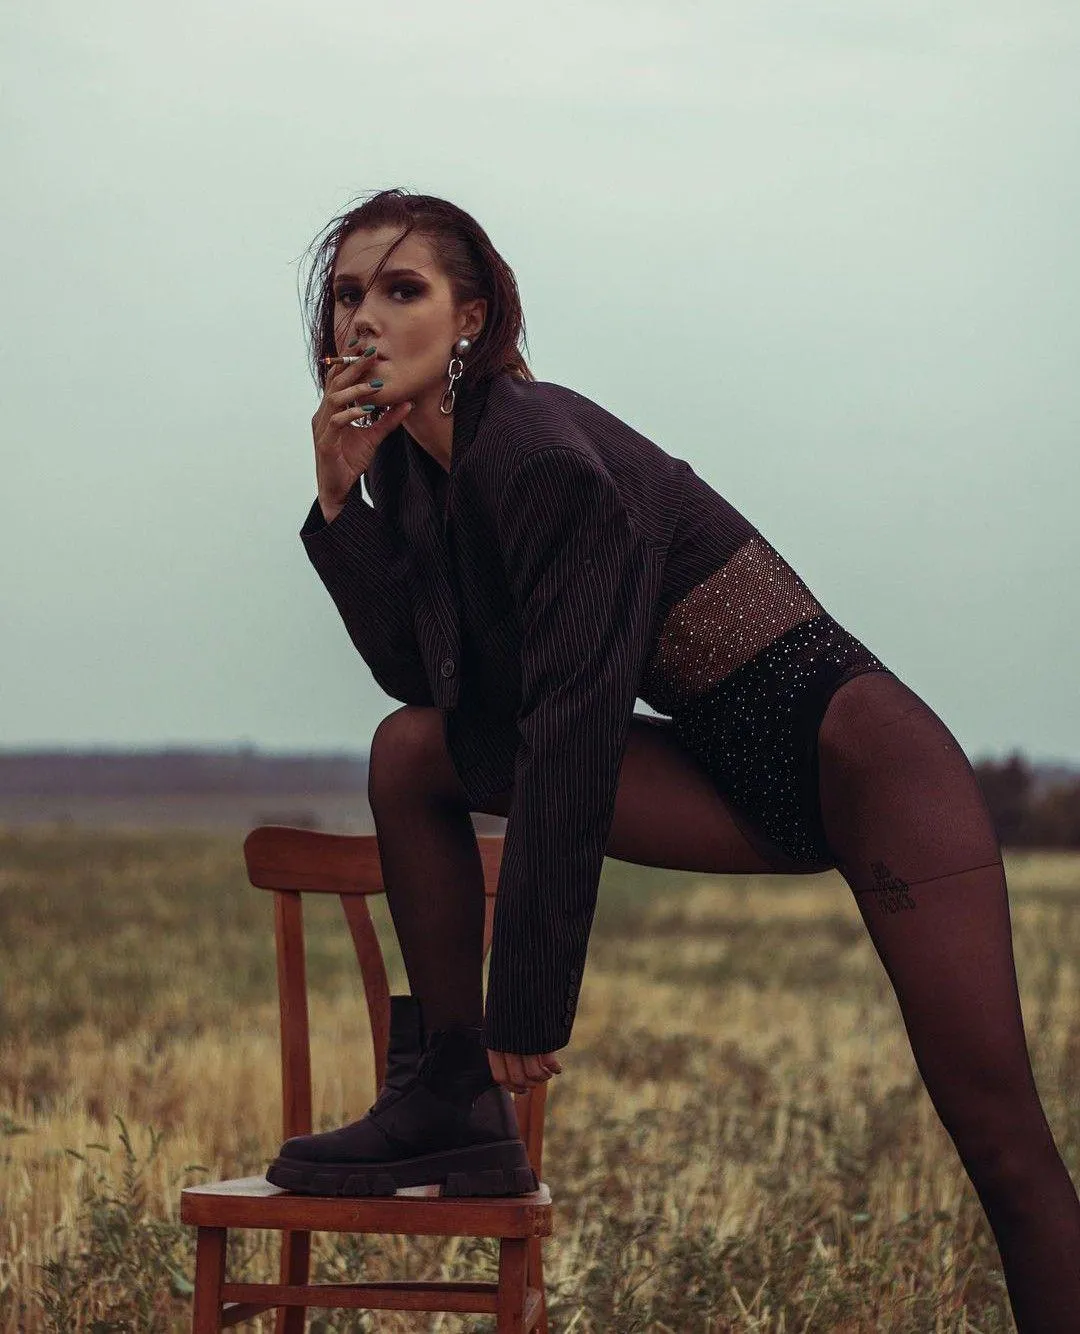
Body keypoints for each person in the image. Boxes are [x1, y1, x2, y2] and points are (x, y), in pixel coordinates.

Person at [265, 188, 1079, 1331]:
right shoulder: (418, 468)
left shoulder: (540, 452)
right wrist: (340, 494)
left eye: (402, 290)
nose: (364, 318)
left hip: (866, 767)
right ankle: (447, 1096)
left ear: (471, 318)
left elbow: (572, 724)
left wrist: (530, 1006)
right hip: (718, 772)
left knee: (1000, 1139)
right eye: (348, 292)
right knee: (412, 753)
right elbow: (427, 684)